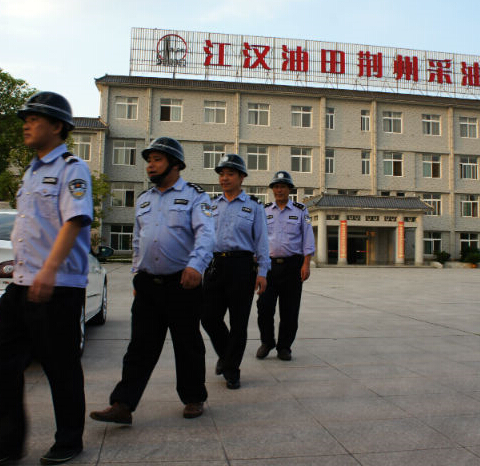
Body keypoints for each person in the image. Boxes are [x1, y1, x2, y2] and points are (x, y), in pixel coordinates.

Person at [0, 92, 93, 466]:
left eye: (35, 119)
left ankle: (69, 440)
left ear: (57, 126)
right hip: (21, 284)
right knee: (1, 358)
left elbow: (74, 221)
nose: (27, 124)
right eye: (26, 118)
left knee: (60, 366)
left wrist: (49, 269)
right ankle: (7, 444)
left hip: (57, 286)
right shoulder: (31, 171)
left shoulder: (72, 168)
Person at [90, 137, 214, 425]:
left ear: (175, 164)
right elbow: (137, 239)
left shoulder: (196, 196)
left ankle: (194, 397)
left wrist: (196, 266)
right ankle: (123, 404)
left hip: (183, 284)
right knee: (140, 346)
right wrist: (137, 273)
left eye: (157, 159)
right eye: (149, 160)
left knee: (187, 344)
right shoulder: (144, 199)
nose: (150, 165)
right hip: (148, 285)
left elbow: (206, 234)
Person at [201, 154, 269, 389]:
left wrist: (263, 272)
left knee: (239, 323)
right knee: (208, 317)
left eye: (230, 174)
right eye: (221, 174)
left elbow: (262, 241)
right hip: (215, 266)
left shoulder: (254, 206)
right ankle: (226, 356)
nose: (224, 178)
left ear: (241, 177)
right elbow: (203, 238)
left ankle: (232, 370)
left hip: (242, 267)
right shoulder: (211, 205)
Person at [256, 171, 315, 362]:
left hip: (292, 266)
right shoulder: (264, 210)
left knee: (289, 310)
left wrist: (306, 264)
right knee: (264, 307)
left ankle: (284, 347)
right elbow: (258, 239)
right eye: (276, 186)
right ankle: (267, 342)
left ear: (289, 189)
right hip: (268, 266)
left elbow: (308, 237)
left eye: (282, 186)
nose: (279, 190)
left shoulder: (300, 210)